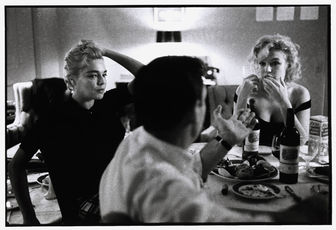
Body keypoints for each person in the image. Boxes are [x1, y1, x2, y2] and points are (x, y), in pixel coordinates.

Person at [99, 56, 328, 223]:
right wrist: (312, 211)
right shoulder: (165, 189)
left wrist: (227, 140)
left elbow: (193, 166)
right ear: (196, 109)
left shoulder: (138, 140)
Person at [8, 40, 144, 225]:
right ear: (71, 81)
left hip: (115, 192)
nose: (102, 81)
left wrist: (106, 51)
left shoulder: (109, 102)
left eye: (104, 74)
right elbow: (16, 165)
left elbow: (147, 75)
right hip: (82, 209)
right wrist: (29, 217)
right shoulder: (52, 117)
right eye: (92, 75)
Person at [234, 34, 311, 146]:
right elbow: (237, 141)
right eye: (262, 63)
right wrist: (242, 97)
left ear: (288, 65)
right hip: (252, 159)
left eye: (275, 63)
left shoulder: (300, 93)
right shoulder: (245, 90)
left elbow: (302, 141)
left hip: (286, 160)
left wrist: (283, 101)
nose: (267, 69)